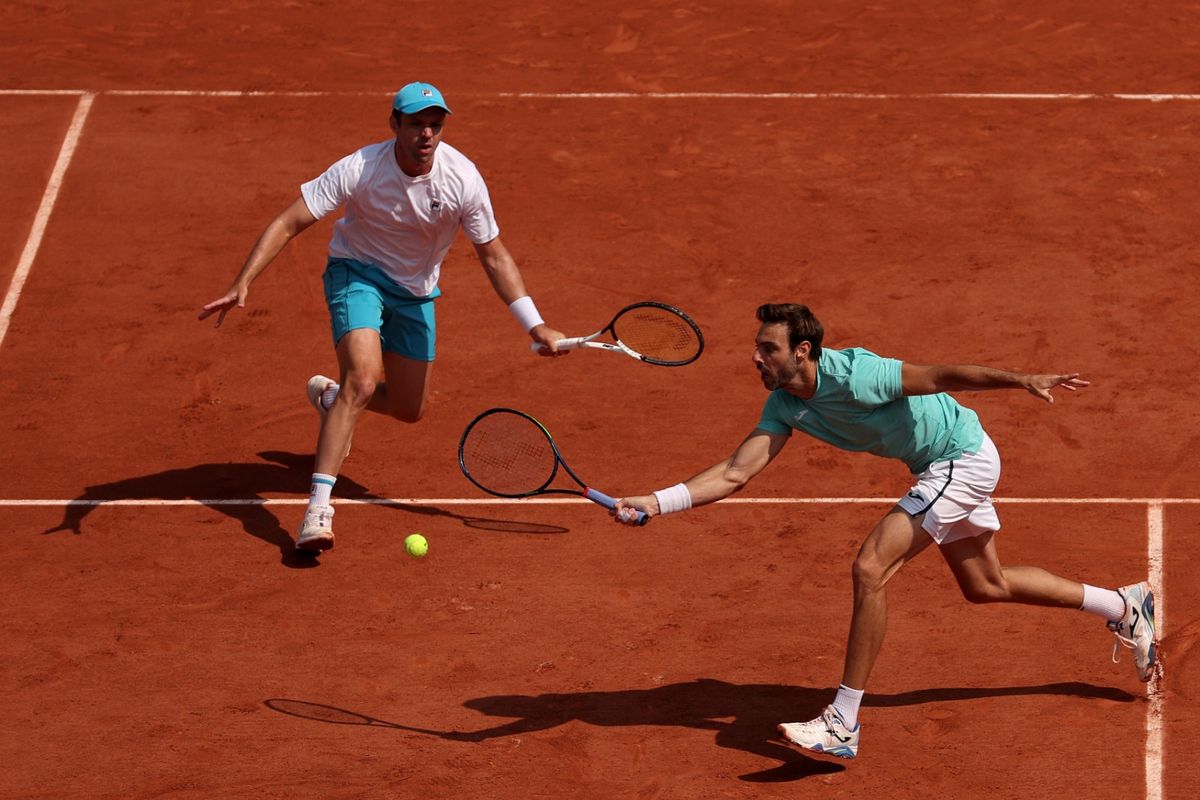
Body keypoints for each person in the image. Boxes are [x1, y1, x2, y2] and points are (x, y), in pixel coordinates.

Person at [611, 302, 1158, 760]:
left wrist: (1022, 379)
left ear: (802, 351)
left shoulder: (859, 376)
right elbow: (736, 472)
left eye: (768, 348)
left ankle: (843, 722)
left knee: (871, 566)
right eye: (758, 347)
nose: (756, 356)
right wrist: (658, 502)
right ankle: (1123, 606)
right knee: (986, 585)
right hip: (939, 466)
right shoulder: (783, 404)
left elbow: (939, 377)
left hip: (959, 457)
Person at [200, 81, 565, 554]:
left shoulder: (463, 179)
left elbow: (493, 254)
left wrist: (533, 324)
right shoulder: (360, 169)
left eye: (435, 124)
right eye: (415, 124)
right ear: (395, 125)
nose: (426, 134)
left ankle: (334, 400)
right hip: (358, 274)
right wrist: (243, 280)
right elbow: (290, 220)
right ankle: (317, 509)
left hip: (415, 293)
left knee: (409, 408)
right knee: (365, 378)